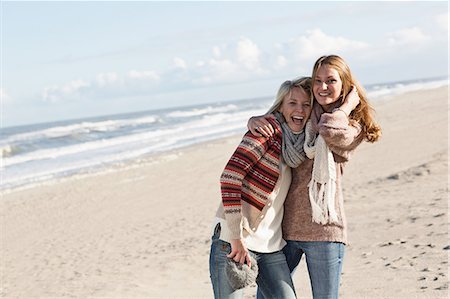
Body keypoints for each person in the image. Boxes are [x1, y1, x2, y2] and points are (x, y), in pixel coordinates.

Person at [247, 55, 381, 299]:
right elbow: (279, 115)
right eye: (317, 80)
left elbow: (330, 130)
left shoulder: (351, 125)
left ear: (344, 85)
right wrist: (253, 120)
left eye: (331, 80)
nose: (322, 87)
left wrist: (347, 106)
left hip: (325, 230)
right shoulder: (305, 113)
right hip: (284, 230)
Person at [210, 77, 314, 298]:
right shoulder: (265, 133)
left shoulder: (300, 144)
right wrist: (236, 238)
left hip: (270, 246)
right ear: (281, 106)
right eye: (292, 103)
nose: (300, 110)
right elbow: (229, 177)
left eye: (306, 104)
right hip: (234, 242)